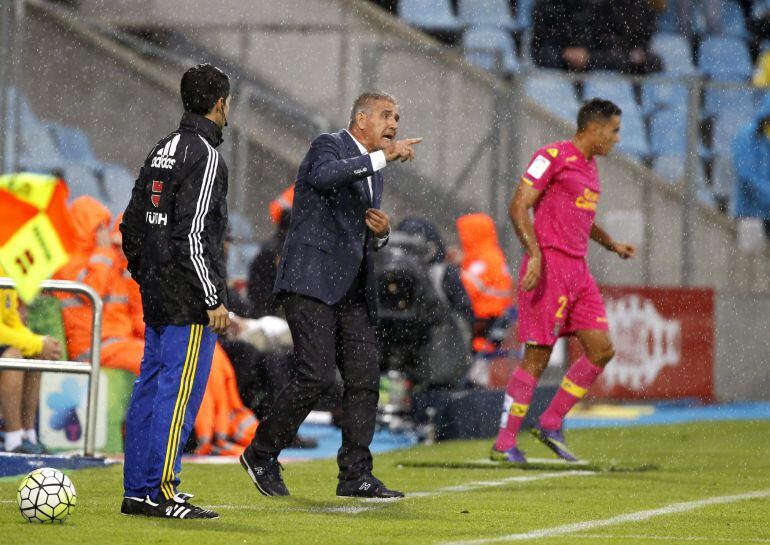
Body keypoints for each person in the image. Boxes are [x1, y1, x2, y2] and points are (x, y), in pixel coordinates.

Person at [239, 91, 421, 498]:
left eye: (398, 117)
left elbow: (359, 233)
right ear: (361, 118)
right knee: (316, 375)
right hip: (311, 281)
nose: (394, 124)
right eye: (387, 115)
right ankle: (262, 453)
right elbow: (325, 177)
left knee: (363, 379)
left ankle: (355, 474)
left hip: (352, 288)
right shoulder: (329, 146)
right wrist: (384, 158)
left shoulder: (375, 170)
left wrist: (383, 233)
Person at [491, 99, 636, 463]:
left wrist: (612, 243)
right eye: (614, 130)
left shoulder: (590, 168)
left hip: (579, 271)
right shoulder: (553, 155)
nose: (617, 139)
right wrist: (536, 255)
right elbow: (517, 205)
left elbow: (582, 219)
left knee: (602, 350)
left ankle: (551, 422)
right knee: (537, 357)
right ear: (594, 128)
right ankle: (505, 442)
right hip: (549, 265)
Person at [119, 63, 232, 519]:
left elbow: (130, 224)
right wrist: (212, 296)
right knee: (177, 395)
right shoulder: (205, 155)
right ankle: (161, 492)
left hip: (157, 292)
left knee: (150, 389)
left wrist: (147, 274)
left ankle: (138, 490)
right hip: (187, 297)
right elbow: (193, 235)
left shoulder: (162, 148)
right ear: (220, 104)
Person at [0, 265, 63, 454]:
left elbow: (12, 322)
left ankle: (29, 434)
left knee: (34, 354)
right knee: (14, 356)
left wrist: (41, 343)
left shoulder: (5, 267)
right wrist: (35, 343)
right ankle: (13, 439)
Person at [532, 0, 661, 74]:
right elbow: (539, 53)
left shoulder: (615, 7)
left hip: (603, 81)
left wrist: (590, 58)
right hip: (558, 80)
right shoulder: (550, 5)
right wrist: (563, 55)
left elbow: (622, 56)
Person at [732, 95, 770, 238]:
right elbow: (746, 176)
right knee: (751, 258)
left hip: (765, 213)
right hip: (750, 215)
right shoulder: (747, 136)